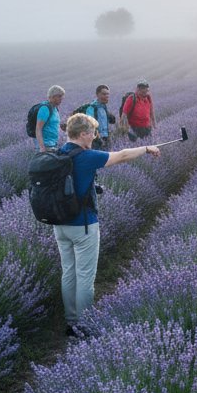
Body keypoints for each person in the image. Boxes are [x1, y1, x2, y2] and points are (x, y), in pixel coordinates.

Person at [53, 113, 160, 336]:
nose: (95, 136)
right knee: (85, 276)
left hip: (60, 224)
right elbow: (121, 156)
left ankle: (71, 320)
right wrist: (146, 148)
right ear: (83, 134)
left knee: (68, 272)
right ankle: (85, 324)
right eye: (92, 132)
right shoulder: (85, 156)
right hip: (83, 224)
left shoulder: (58, 153)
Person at [77, 84, 114, 151]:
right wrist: (99, 139)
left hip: (105, 138)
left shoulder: (103, 107)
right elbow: (90, 126)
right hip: (95, 141)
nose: (106, 96)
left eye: (108, 94)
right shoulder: (92, 108)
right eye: (104, 94)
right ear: (97, 94)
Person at [35, 86, 65, 153]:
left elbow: (51, 124)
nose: (62, 98)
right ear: (53, 96)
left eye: (62, 96)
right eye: (59, 96)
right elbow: (38, 128)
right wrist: (42, 147)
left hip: (53, 144)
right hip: (46, 146)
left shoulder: (55, 108)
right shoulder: (45, 109)